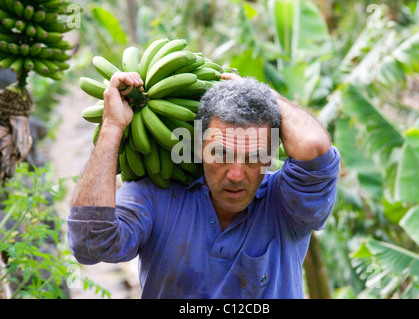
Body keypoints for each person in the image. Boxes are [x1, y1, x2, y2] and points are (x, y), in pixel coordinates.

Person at [67, 71, 340, 298]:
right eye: (221, 154)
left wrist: (265, 96)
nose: (235, 174)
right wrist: (113, 126)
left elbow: (314, 145)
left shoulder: (287, 205)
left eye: (254, 157)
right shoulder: (155, 196)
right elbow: (89, 244)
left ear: (271, 155)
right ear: (198, 146)